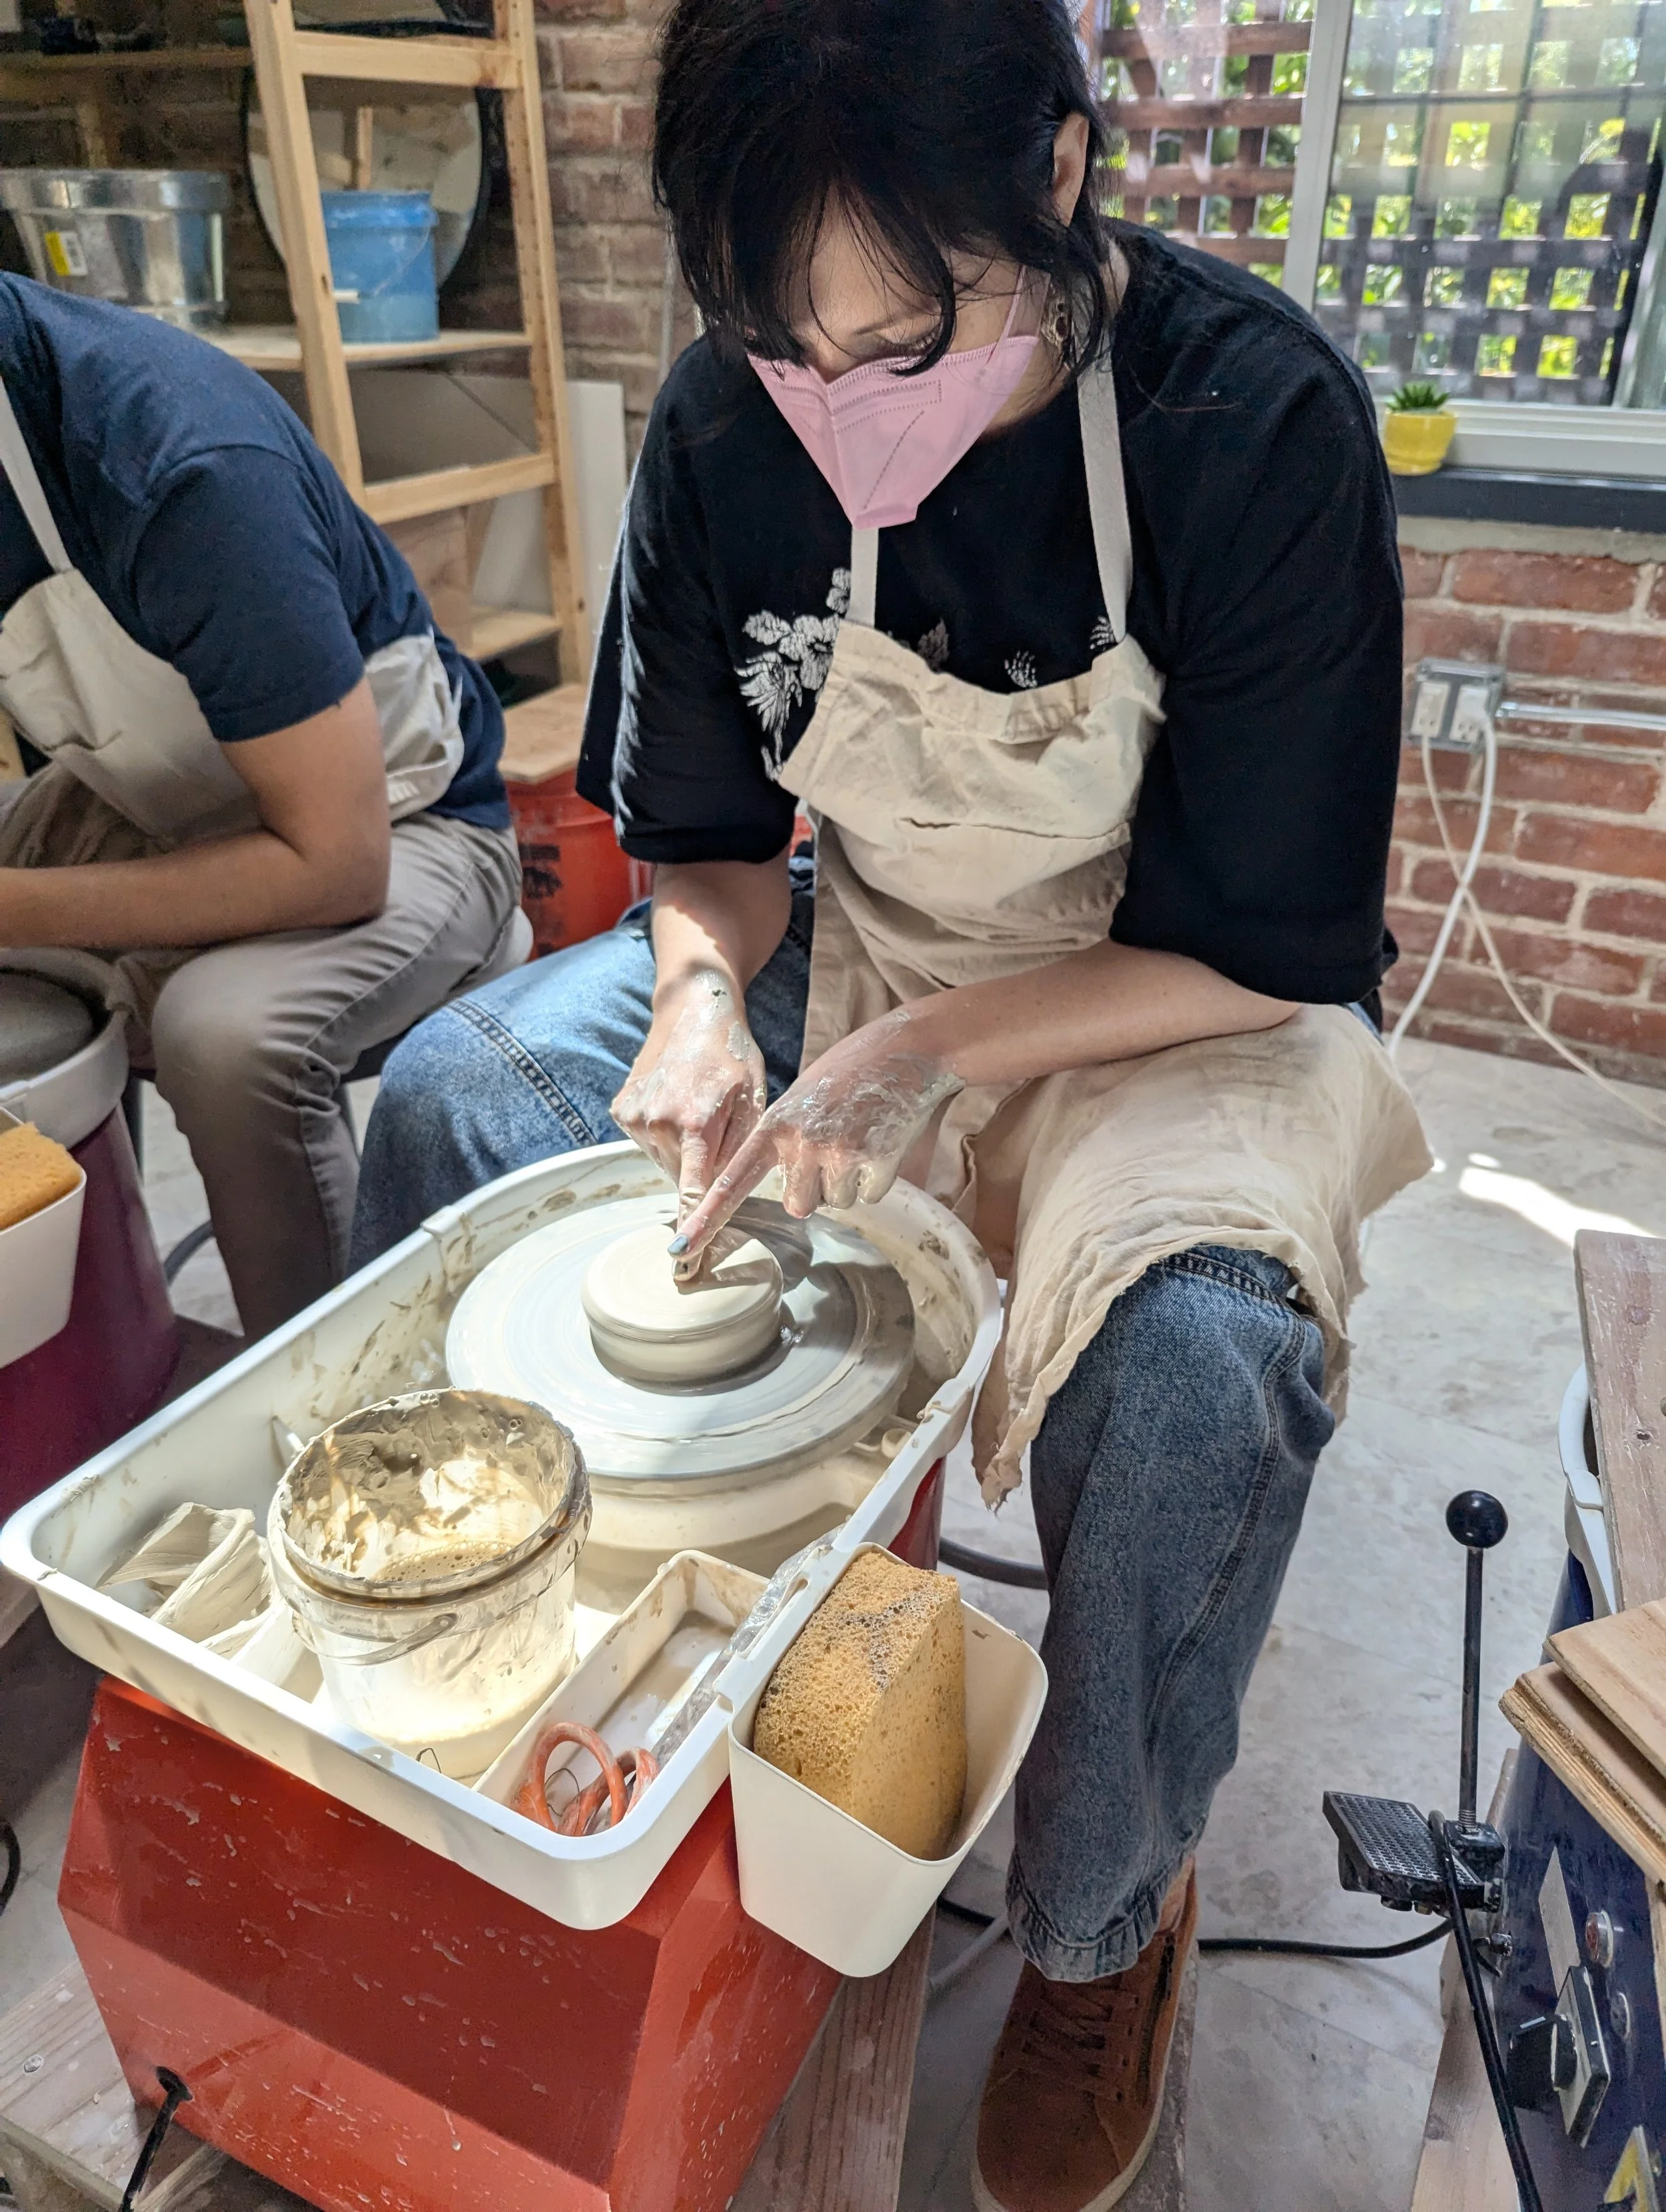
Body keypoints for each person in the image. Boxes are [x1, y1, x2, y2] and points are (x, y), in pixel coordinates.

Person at [353, 0, 1430, 2201]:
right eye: (785, 349)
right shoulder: (725, 430)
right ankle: (611, 1716)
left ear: (1053, 183)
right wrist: (692, 997)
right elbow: (710, 845)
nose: (840, 422)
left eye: (902, 348)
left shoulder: (1251, 428)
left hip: (1173, 1016)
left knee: (1204, 1367)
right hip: (866, 956)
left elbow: (1262, 949)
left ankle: (1104, 1920)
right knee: (465, 1094)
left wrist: (903, 1059)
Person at [0, 276, 524, 1339]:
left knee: (225, 1034)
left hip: (411, 817)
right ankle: (101, 1339)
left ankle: (340, 1412)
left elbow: (337, 863)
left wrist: (19, 911)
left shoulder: (173, 462)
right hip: (159, 790)